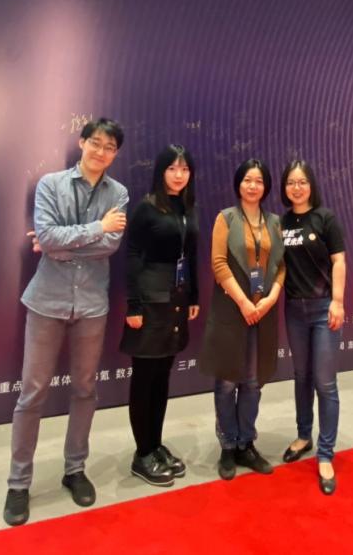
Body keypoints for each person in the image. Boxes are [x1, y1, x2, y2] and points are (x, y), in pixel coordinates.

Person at [3, 118, 129, 526]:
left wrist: (61, 244)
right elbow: (47, 236)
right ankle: (18, 483)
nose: (101, 152)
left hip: (91, 304)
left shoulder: (118, 193)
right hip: (47, 301)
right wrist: (96, 229)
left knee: (85, 389)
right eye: (96, 143)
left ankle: (75, 469)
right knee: (32, 393)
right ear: (81, 142)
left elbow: (110, 245)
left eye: (109, 147)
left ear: (115, 154)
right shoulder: (51, 184)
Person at [119, 145, 201, 486]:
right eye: (172, 168)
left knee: (163, 375)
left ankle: (155, 444)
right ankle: (142, 454)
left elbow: (191, 255)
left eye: (184, 169)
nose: (179, 175)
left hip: (176, 299)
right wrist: (134, 304)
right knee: (145, 377)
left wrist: (193, 295)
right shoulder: (147, 207)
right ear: (161, 171)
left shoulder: (188, 207)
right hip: (150, 299)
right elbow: (132, 255)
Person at [199, 158, 284, 480]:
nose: (253, 186)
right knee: (226, 381)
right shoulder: (226, 218)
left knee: (253, 381)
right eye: (248, 179)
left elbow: (282, 265)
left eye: (259, 181)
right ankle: (227, 445)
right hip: (232, 309)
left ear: (266, 187)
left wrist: (271, 297)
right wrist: (244, 302)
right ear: (239, 183)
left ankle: (246, 443)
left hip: (263, 313)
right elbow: (219, 264)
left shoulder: (275, 222)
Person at [279, 160, 346, 495]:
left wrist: (338, 301)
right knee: (301, 376)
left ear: (311, 185)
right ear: (285, 187)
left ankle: (326, 453)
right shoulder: (281, 222)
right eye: (291, 182)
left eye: (302, 181)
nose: (297, 187)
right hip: (294, 309)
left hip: (323, 309)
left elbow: (339, 260)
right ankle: (304, 435)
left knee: (325, 383)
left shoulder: (325, 218)